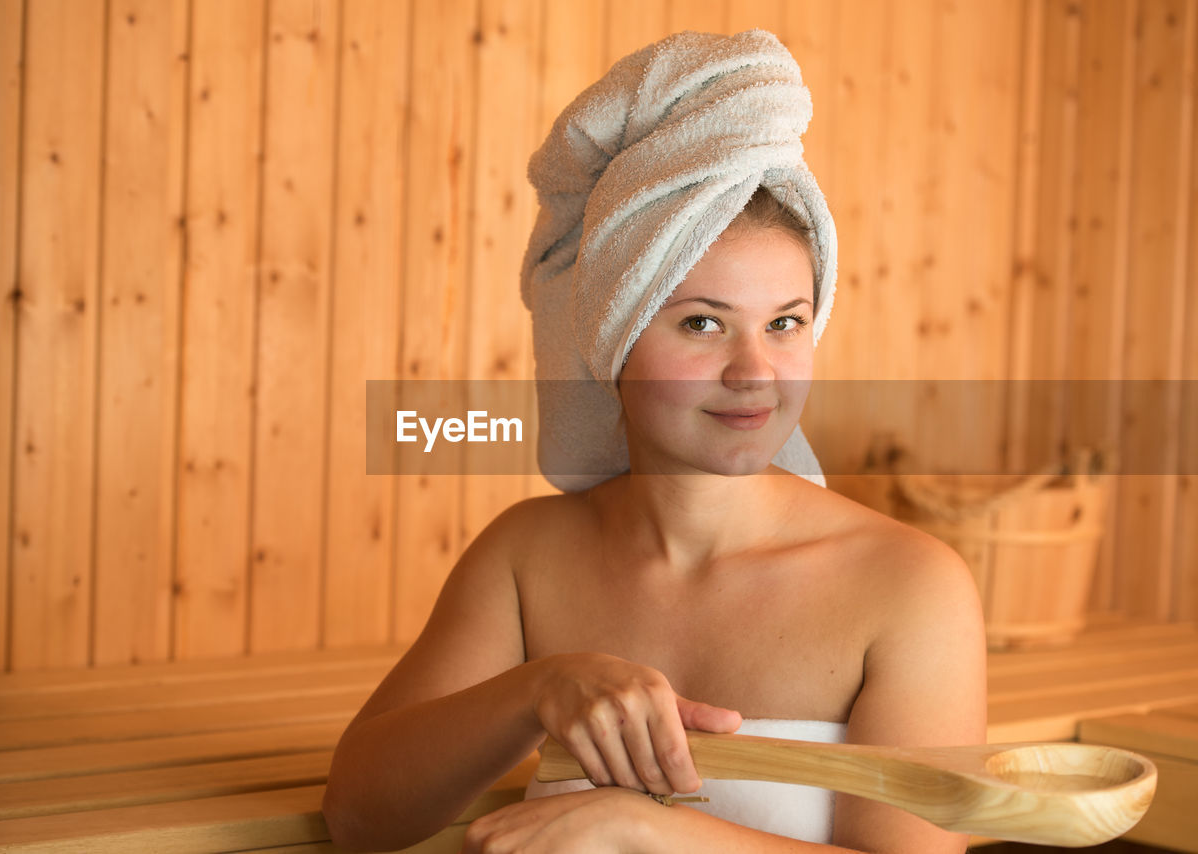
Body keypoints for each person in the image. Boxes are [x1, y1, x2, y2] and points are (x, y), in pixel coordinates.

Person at [322, 29, 985, 854]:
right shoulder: (528, 558)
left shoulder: (910, 587)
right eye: (702, 323)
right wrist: (539, 688)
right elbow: (357, 816)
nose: (755, 373)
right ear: (615, 338)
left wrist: (646, 830)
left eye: (786, 324)